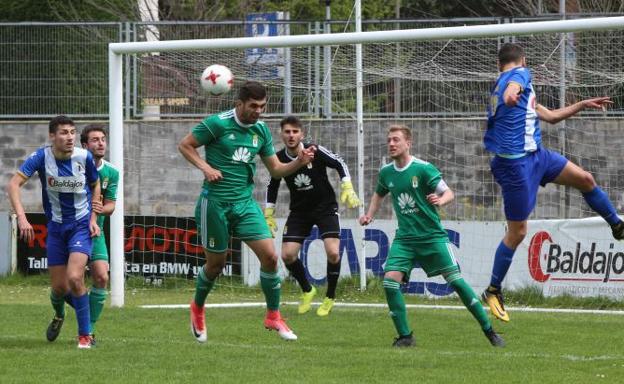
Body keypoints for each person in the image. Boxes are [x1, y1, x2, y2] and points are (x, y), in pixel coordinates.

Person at [483, 43, 624, 322]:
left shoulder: (508, 85)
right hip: (515, 164)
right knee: (518, 232)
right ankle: (493, 289)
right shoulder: (520, 75)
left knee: (585, 179)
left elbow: (550, 116)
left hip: (538, 156)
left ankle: (617, 225)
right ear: (521, 60)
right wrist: (514, 93)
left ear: (499, 64)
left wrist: (582, 105)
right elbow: (514, 89)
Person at [178, 81, 315, 343]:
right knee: (215, 265)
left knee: (271, 257)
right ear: (239, 103)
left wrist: (298, 161)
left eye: (262, 106)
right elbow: (185, 145)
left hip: (245, 204)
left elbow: (275, 170)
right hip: (214, 204)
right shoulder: (217, 124)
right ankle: (197, 307)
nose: (258, 111)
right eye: (253, 106)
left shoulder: (261, 131)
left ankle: (273, 315)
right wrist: (205, 168)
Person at [359, 125, 504, 348]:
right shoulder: (386, 172)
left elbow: (448, 192)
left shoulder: (423, 169)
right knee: (389, 283)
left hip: (432, 237)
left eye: (396, 140)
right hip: (405, 239)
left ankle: (489, 331)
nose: (391, 144)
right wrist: (369, 215)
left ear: (408, 143)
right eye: (389, 140)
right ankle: (405, 337)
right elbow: (379, 194)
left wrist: (441, 200)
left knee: (456, 281)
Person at [6, 115, 101, 349]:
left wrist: (93, 218)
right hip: (56, 228)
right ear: (52, 136)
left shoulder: (84, 156)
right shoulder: (40, 157)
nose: (69, 137)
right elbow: (13, 185)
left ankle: (85, 336)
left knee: (75, 277)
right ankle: (61, 315)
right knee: (60, 287)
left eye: (72, 132)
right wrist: (22, 218)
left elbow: (95, 184)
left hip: (80, 226)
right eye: (63, 133)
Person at [264, 116, 361, 317]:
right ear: (281, 134)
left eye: (295, 131)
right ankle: (308, 290)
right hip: (299, 212)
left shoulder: (314, 151)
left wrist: (347, 186)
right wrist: (269, 212)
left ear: (302, 134)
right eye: (287, 132)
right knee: (287, 255)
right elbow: (272, 183)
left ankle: (330, 297)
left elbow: (339, 162)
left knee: (333, 253)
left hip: (325, 208)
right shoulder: (278, 158)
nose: (291, 135)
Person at [80, 124, 119, 342]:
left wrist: (98, 210)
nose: (101, 143)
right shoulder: (74, 168)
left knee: (102, 277)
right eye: (95, 139)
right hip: (72, 230)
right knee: (63, 286)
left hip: (96, 232)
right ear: (85, 145)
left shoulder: (111, 172)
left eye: (103, 138)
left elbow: (111, 205)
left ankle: (89, 329)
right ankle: (59, 312)